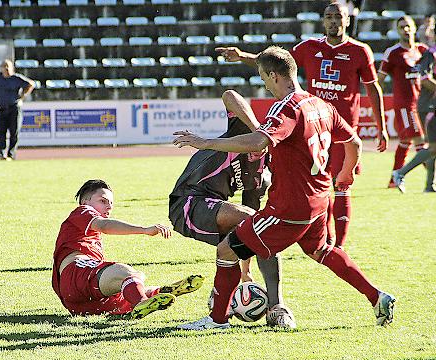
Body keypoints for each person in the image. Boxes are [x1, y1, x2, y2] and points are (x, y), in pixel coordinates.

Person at [173, 46, 395, 330]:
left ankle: (216, 320)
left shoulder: (287, 107)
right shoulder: (321, 105)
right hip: (319, 202)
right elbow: (353, 143)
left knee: (227, 251)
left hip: (288, 209)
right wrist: (345, 174)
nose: (266, 87)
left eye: (265, 80)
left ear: (275, 76)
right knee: (321, 251)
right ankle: (378, 296)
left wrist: (205, 142)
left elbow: (257, 142)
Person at [216, 1, 389, 249]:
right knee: (317, 185)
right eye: (328, 17)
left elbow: (373, 89)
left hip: (340, 131)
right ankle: (324, 241)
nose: (333, 21)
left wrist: (381, 127)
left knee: (341, 185)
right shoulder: (309, 47)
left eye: (338, 17)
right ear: (323, 21)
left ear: (347, 20)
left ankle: (337, 245)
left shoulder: (360, 51)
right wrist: (243, 56)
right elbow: (275, 65)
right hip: (310, 128)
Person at [169, 90, 295, 329]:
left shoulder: (260, 179)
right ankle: (224, 301)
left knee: (262, 229)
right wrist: (258, 131)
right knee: (259, 223)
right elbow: (230, 95)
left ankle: (269, 306)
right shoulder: (243, 132)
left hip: (213, 206)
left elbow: (250, 232)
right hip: (187, 203)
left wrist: (246, 272)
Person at [53, 179, 205, 318]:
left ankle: (160, 292)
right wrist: (144, 230)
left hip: (81, 303)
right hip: (74, 274)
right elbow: (104, 225)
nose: (109, 206)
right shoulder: (82, 211)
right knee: (126, 273)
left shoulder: (88, 233)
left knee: (129, 287)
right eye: (102, 201)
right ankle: (142, 302)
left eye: (111, 203)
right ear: (85, 201)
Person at [378, 16, 436, 190]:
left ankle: (394, 177)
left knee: (406, 140)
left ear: (414, 29)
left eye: (408, 26)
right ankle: (431, 179)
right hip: (404, 104)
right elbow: (379, 79)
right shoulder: (393, 52)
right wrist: (377, 99)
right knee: (420, 139)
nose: (405, 30)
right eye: (401, 27)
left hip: (421, 102)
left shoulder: (422, 49)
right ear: (397, 30)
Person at [392, 19, 436, 193]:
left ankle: (429, 185)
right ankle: (400, 173)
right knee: (434, 147)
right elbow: (425, 80)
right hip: (428, 107)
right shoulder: (430, 54)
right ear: (435, 36)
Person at [0, 39, 35, 160]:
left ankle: (11, 154)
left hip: (14, 108)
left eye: (8, 66)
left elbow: (31, 84)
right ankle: (0, 153)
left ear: (12, 68)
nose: (6, 69)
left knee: (14, 132)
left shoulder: (16, 78)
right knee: (1, 132)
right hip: (3, 109)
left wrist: (23, 96)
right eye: (4, 66)